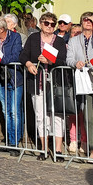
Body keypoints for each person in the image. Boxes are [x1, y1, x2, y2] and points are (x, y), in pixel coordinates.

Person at [19, 12, 68, 160]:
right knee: (41, 116)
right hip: (37, 82)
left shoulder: (59, 41)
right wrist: (28, 65)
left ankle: (58, 150)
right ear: (41, 24)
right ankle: (44, 149)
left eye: (53, 24)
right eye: (47, 23)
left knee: (57, 116)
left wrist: (50, 61)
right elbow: (23, 55)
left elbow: (63, 60)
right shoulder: (33, 38)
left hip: (55, 83)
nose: (50, 26)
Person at [66, 11, 93, 162]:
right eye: (85, 20)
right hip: (84, 79)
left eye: (91, 20)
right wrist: (75, 63)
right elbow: (69, 58)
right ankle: (92, 149)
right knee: (88, 117)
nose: (88, 22)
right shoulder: (74, 40)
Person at [0, 16, 24, 155]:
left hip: (14, 78)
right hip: (0, 78)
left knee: (14, 111)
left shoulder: (15, 37)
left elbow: (16, 56)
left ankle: (15, 142)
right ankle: (9, 139)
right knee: (6, 111)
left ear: (1, 29)